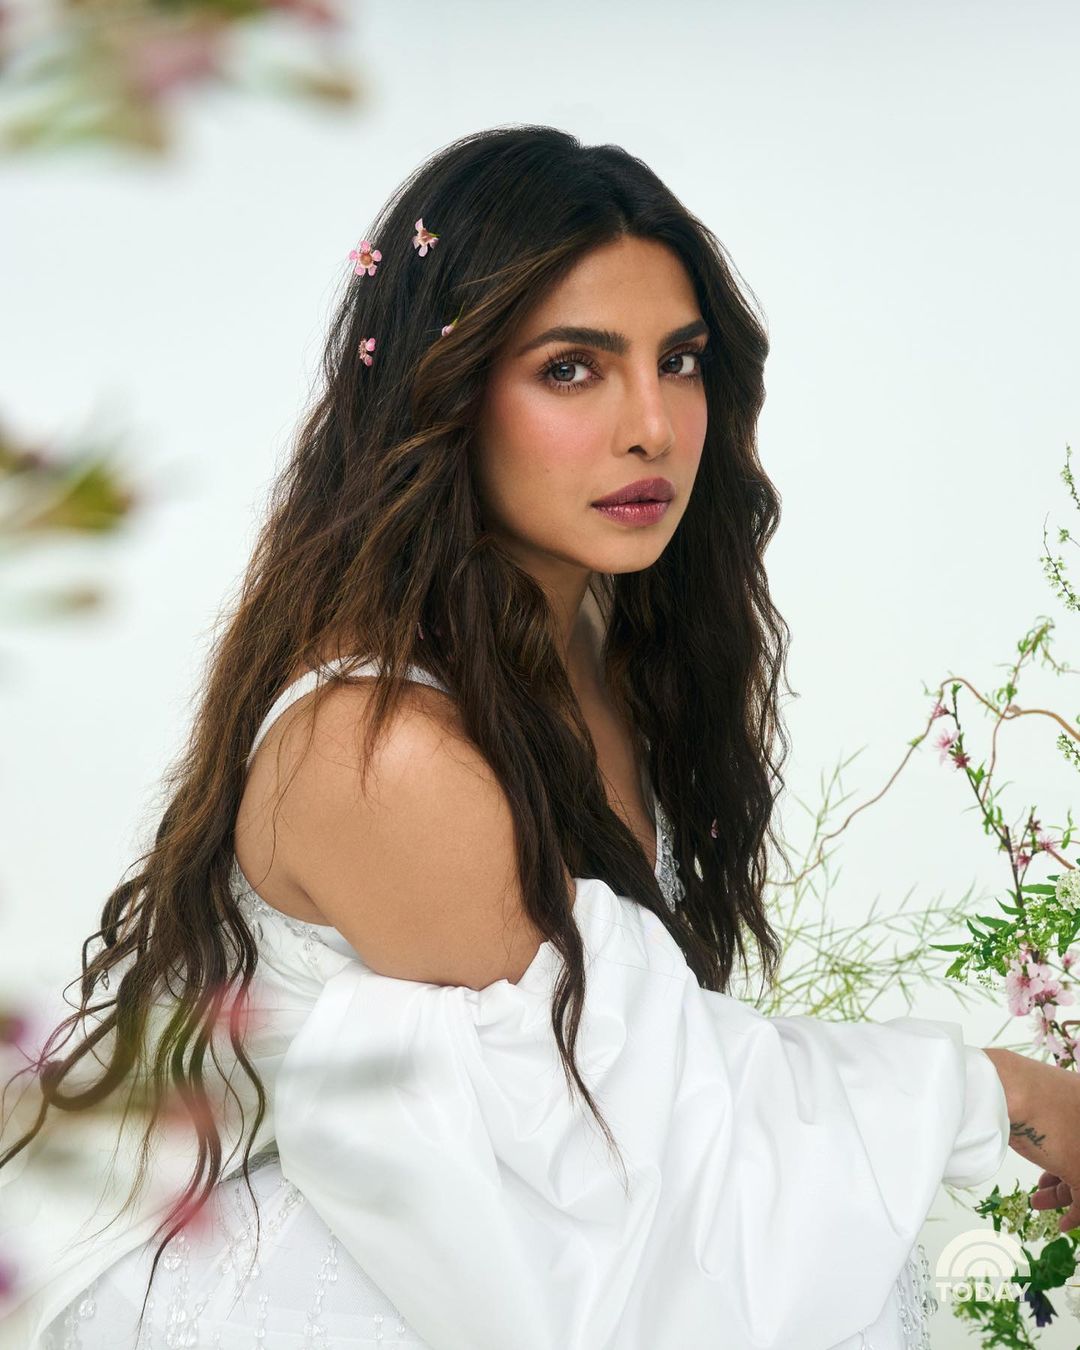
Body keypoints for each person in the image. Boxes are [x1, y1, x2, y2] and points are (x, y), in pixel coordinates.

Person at [1, 124, 1078, 1350]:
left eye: (680, 362)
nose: (653, 426)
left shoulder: (602, 644)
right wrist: (1001, 1093)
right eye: (572, 369)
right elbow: (636, 1141)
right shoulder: (386, 750)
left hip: (500, 1214)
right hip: (311, 1271)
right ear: (446, 393)